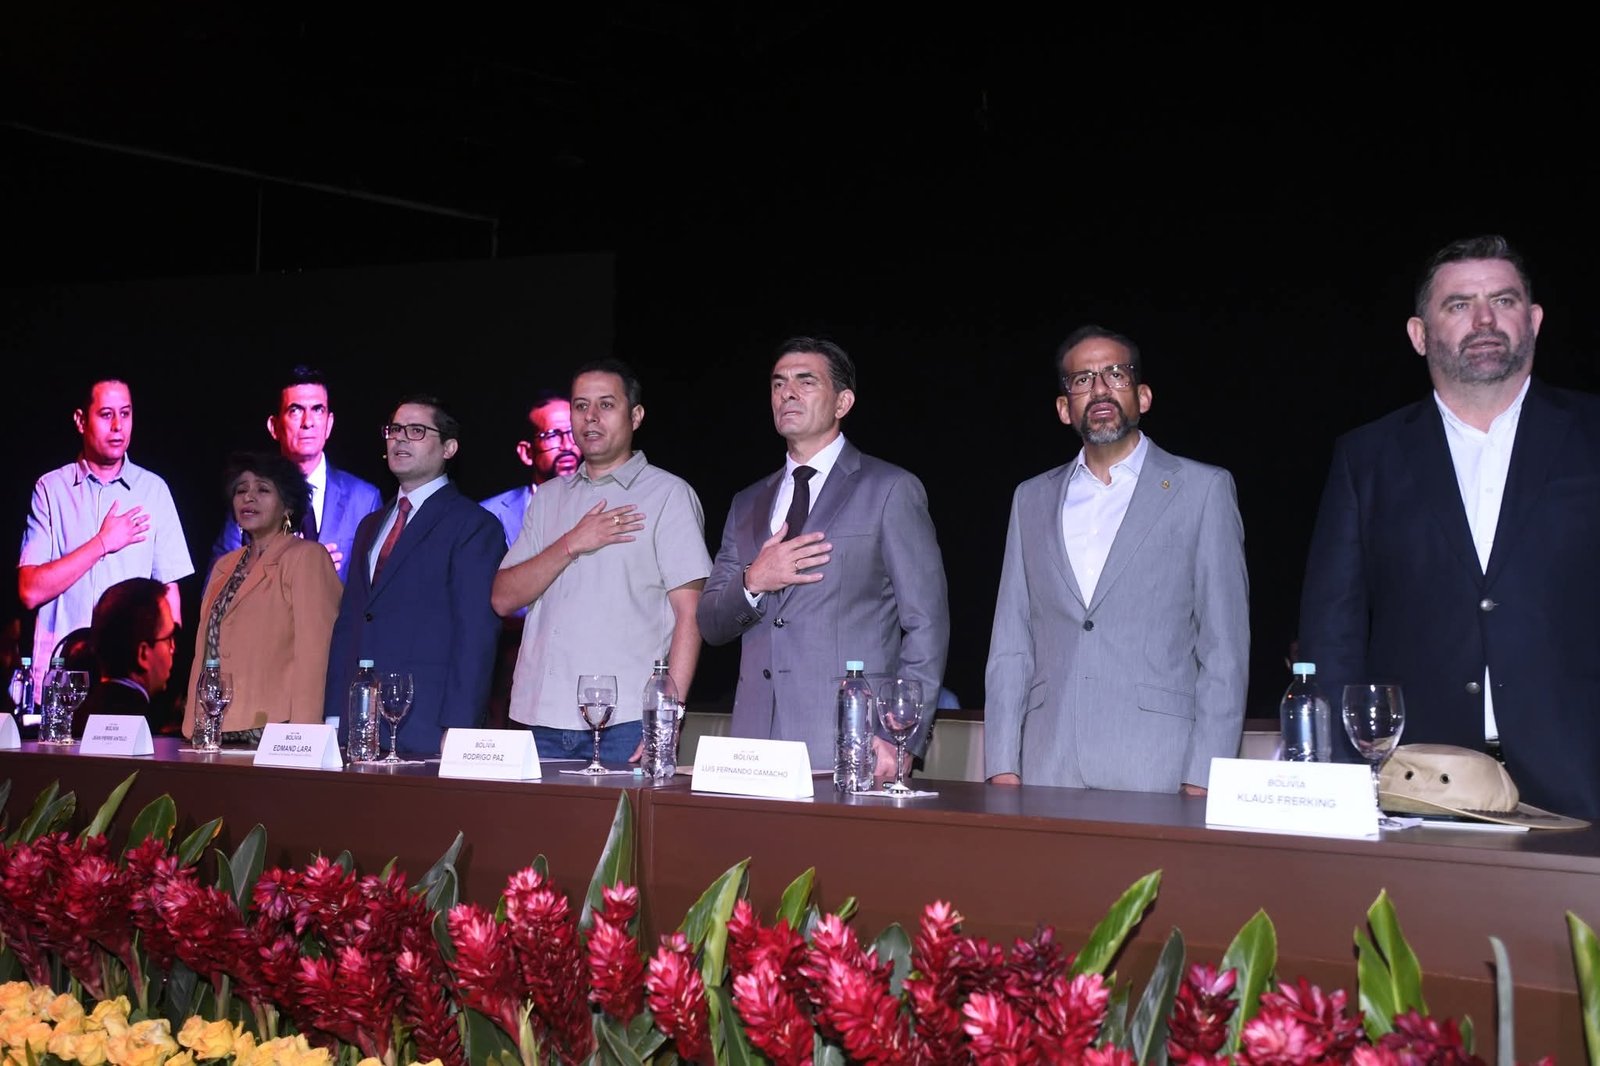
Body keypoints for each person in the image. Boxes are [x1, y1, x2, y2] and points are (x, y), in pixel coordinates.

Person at [1299, 234, 1600, 819]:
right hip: (1418, 784)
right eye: (1459, 305)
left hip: (1583, 781)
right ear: (1419, 334)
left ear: (1534, 320)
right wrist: (1340, 784)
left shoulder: (1593, 434)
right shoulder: (1368, 457)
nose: (1485, 320)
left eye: (1504, 301)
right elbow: (1333, 631)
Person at [983, 325, 1250, 793]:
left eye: (1116, 374)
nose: (1101, 388)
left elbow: (1224, 647)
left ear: (1142, 396)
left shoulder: (1202, 490)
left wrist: (1205, 775)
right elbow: (1011, 640)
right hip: (1048, 765)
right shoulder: (1031, 499)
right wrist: (1002, 763)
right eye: (1082, 379)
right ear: (1064, 408)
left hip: (1160, 766)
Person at [698, 337, 950, 774]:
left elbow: (927, 623)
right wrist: (753, 580)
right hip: (754, 743)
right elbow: (711, 623)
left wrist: (899, 733)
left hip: (852, 737)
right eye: (778, 383)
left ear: (843, 402)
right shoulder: (748, 502)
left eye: (806, 381)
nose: (787, 393)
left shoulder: (889, 489)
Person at [491, 361, 709, 762]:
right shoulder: (549, 498)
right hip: (539, 717)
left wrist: (668, 715)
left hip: (626, 722)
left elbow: (690, 613)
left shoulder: (668, 494)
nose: (590, 417)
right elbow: (503, 599)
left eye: (606, 405)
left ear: (635, 416)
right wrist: (572, 543)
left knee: (624, 810)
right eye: (580, 405)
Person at [323, 395, 505, 756]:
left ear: (449, 448)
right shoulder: (370, 525)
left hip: (427, 724)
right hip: (360, 724)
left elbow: (475, 633)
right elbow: (351, 623)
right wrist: (333, 715)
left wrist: (459, 725)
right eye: (394, 429)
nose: (400, 439)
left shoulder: (472, 525)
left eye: (417, 430)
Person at [18, 377, 194, 673]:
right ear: (80, 420)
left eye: (125, 414)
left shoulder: (153, 490)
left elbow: (169, 590)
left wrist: (168, 666)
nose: (117, 426)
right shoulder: (51, 489)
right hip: (61, 673)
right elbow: (30, 591)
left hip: (128, 676)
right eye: (106, 414)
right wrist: (103, 543)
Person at [183, 452, 343, 743]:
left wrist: (303, 736)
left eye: (263, 489)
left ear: (288, 505)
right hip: (214, 730)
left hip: (275, 733)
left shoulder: (306, 557)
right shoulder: (225, 565)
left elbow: (316, 654)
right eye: (241, 490)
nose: (249, 497)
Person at [209, 366, 383, 583]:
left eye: (318, 410)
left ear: (329, 424)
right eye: (295, 410)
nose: (308, 422)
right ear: (274, 426)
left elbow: (379, 590)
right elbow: (215, 589)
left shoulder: (364, 500)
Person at [74, 577, 178, 735]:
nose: (173, 648)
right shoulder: (151, 732)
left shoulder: (76, 720)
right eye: (168, 638)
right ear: (143, 654)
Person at [480, 390, 579, 547]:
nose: (567, 445)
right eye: (552, 435)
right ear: (527, 453)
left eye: (573, 432)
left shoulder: (608, 501)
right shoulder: (489, 515)